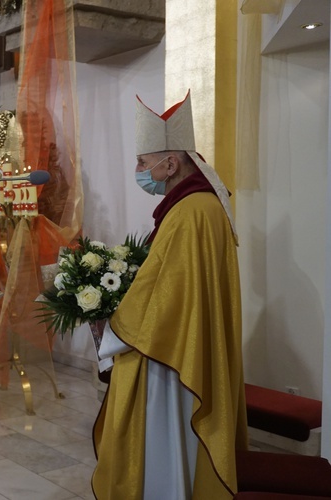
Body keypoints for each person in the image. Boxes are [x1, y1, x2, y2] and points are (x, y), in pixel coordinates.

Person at [92, 93, 247, 499]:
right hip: (183, 343)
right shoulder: (203, 204)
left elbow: (158, 295)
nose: (139, 171)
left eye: (144, 163)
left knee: (166, 445)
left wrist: (110, 330)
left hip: (172, 359)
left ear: (171, 164)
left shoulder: (190, 212)